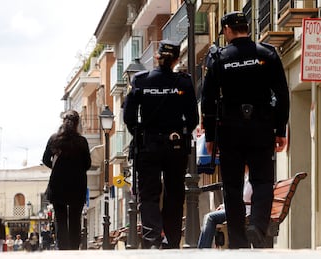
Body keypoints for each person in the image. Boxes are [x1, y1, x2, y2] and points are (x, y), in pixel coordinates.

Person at [201, 11, 289, 248]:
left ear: (228, 30)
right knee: (262, 181)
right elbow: (282, 95)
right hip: (261, 127)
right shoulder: (267, 54)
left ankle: (238, 242)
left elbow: (208, 100)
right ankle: (257, 227)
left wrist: (210, 136)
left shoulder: (219, 59)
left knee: (232, 186)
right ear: (247, 28)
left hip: (230, 130)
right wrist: (280, 129)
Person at [123, 40, 199, 249]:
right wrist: (179, 131)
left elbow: (129, 117)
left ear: (156, 57)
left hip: (148, 145)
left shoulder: (141, 81)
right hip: (175, 146)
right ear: (176, 59)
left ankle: (152, 240)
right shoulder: (183, 83)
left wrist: (140, 134)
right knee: (174, 192)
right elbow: (193, 118)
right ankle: (172, 240)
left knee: (148, 193)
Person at [42, 110, 92, 250]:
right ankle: (74, 249)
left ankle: (63, 249)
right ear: (77, 124)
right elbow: (87, 163)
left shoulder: (54, 139)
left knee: (60, 218)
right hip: (77, 184)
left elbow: (46, 159)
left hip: (58, 184)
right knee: (75, 218)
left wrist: (58, 168)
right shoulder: (82, 142)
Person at [198, 166, 252, 248]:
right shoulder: (245, 177)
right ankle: (202, 249)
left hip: (243, 210)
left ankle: (202, 251)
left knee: (210, 217)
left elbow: (244, 197)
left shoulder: (250, 178)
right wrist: (224, 205)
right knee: (209, 217)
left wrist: (227, 205)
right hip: (237, 208)